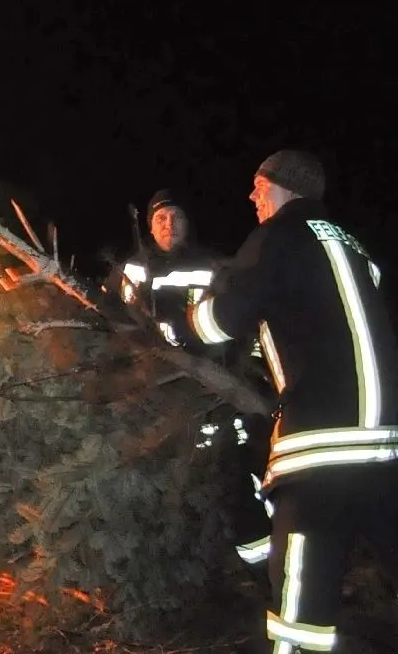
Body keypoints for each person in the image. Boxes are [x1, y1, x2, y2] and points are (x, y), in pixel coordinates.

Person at [187, 149, 398, 652]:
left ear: (278, 187)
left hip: (320, 449)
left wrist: (191, 313)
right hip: (384, 447)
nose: (252, 198)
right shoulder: (355, 247)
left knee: (300, 611)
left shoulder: (277, 236)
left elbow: (218, 324)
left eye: (257, 188)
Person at [106, 189, 225, 355]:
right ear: (151, 227)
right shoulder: (130, 267)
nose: (169, 224)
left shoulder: (211, 267)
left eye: (177, 217)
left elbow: (225, 321)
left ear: (187, 224)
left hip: (199, 365)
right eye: (161, 218)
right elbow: (106, 309)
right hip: (141, 363)